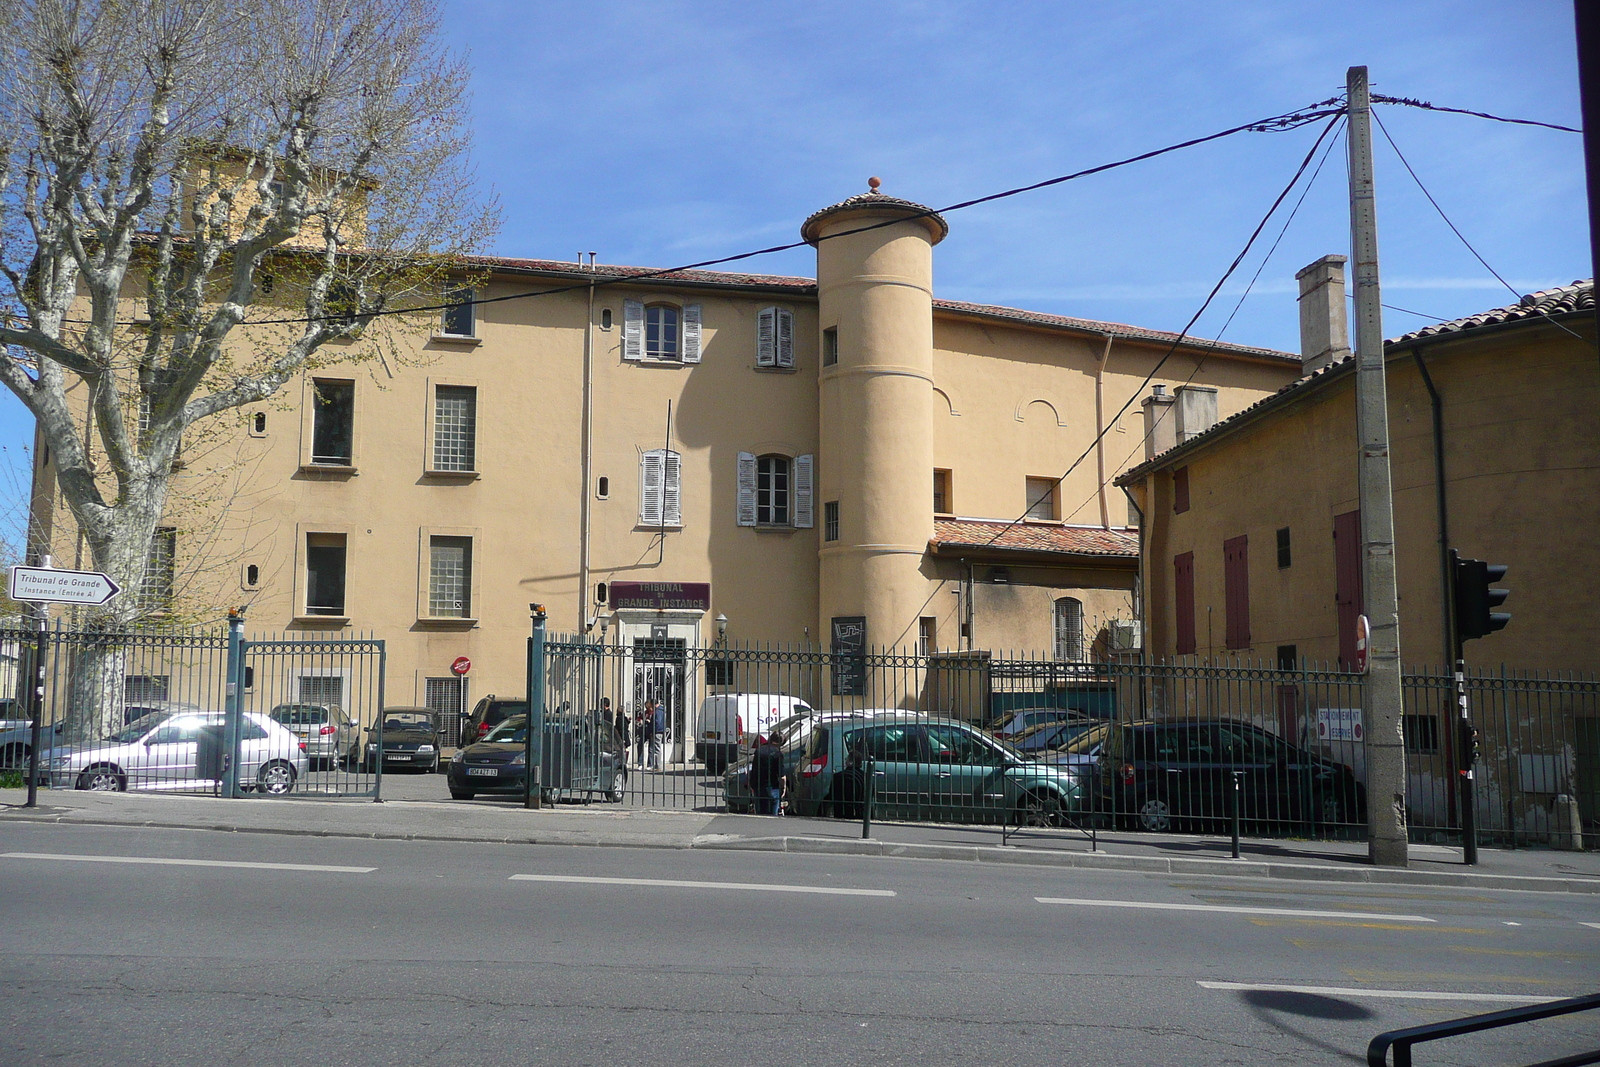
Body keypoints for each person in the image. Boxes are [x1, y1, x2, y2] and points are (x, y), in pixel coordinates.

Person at [750, 728, 786, 816]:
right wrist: (784, 788)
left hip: (758, 785)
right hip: (771, 786)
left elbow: (754, 768)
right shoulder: (777, 753)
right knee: (773, 810)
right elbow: (781, 775)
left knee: (760, 811)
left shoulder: (759, 750)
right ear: (780, 743)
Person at [649, 699, 666, 769]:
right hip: (660, 731)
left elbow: (657, 722)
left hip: (657, 731)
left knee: (657, 749)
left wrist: (653, 730)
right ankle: (656, 765)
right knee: (656, 748)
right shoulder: (661, 710)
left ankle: (658, 766)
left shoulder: (658, 711)